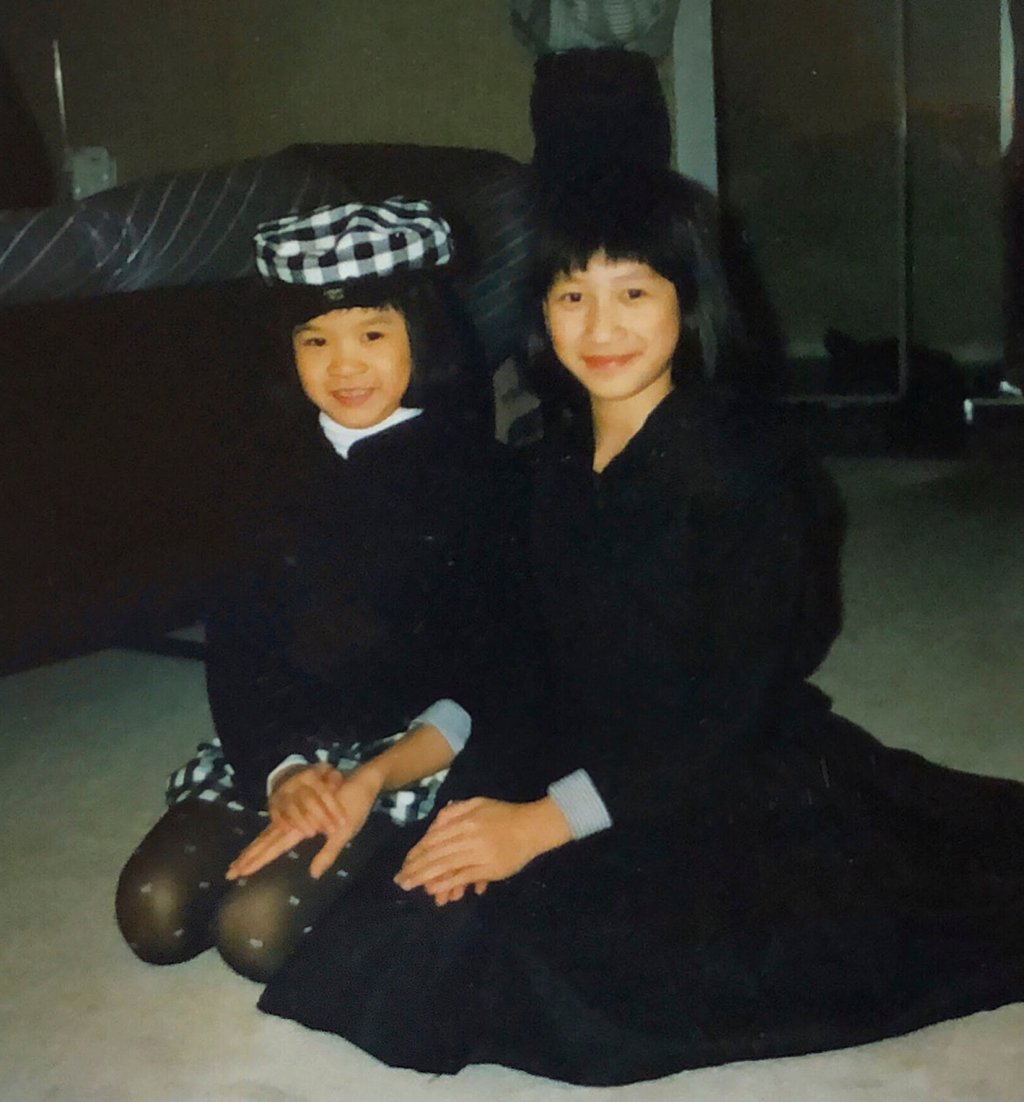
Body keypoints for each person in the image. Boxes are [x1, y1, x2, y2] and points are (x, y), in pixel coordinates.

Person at [255, 172, 1024, 1085]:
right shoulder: (546, 453)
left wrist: (546, 821)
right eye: (571, 295)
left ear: (688, 302)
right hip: (576, 747)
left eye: (633, 292)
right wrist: (384, 775)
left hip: (716, 768)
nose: (600, 327)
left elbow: (734, 705)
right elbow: (517, 664)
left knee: (579, 980)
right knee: (404, 941)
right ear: (540, 311)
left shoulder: (747, 473)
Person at [115, 196, 509, 983]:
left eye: (373, 334)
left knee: (255, 933)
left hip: (409, 757)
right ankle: (292, 807)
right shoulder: (259, 475)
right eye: (315, 339)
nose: (344, 364)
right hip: (282, 744)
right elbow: (236, 652)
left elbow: (489, 679)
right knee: (153, 911)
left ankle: (378, 854)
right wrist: (283, 771)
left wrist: (372, 776)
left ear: (421, 339)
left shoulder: (480, 481)